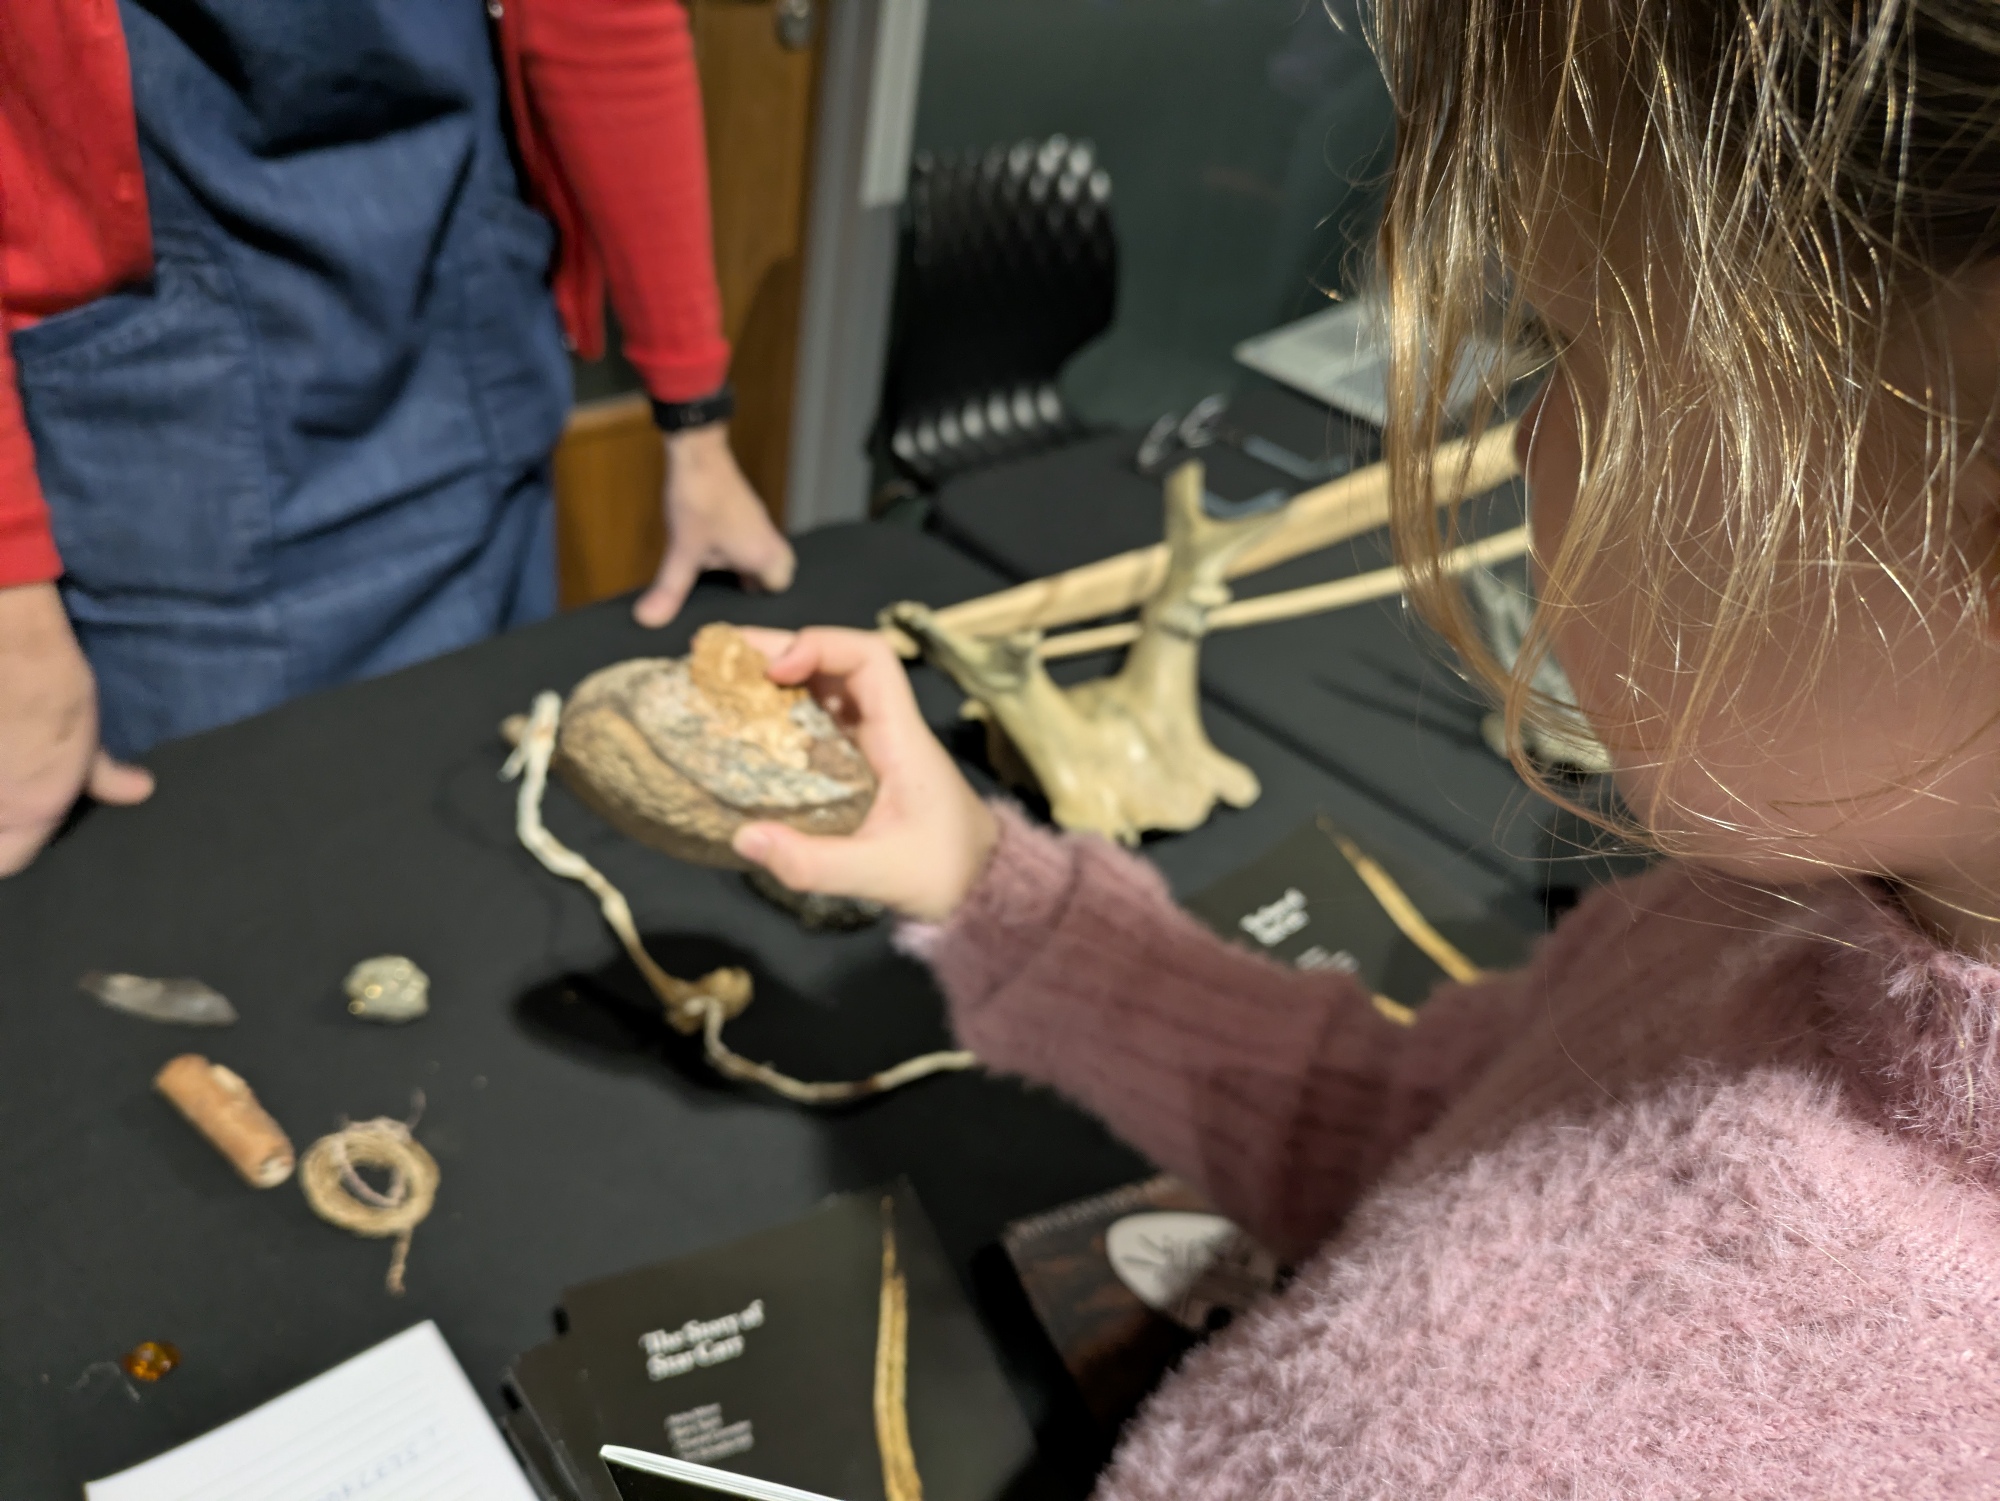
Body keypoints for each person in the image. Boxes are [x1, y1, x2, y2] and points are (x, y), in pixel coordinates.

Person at [727, 1, 2000, 1491]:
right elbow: (1420, 1137)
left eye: (1572, 345)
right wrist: (984, 884)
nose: (1521, 440)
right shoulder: (1743, 919)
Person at [0, 0, 794, 878]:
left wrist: (694, 420)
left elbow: (601, 18)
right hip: (179, 471)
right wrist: (10, 598)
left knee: (496, 852)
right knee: (243, 891)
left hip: (472, 373)